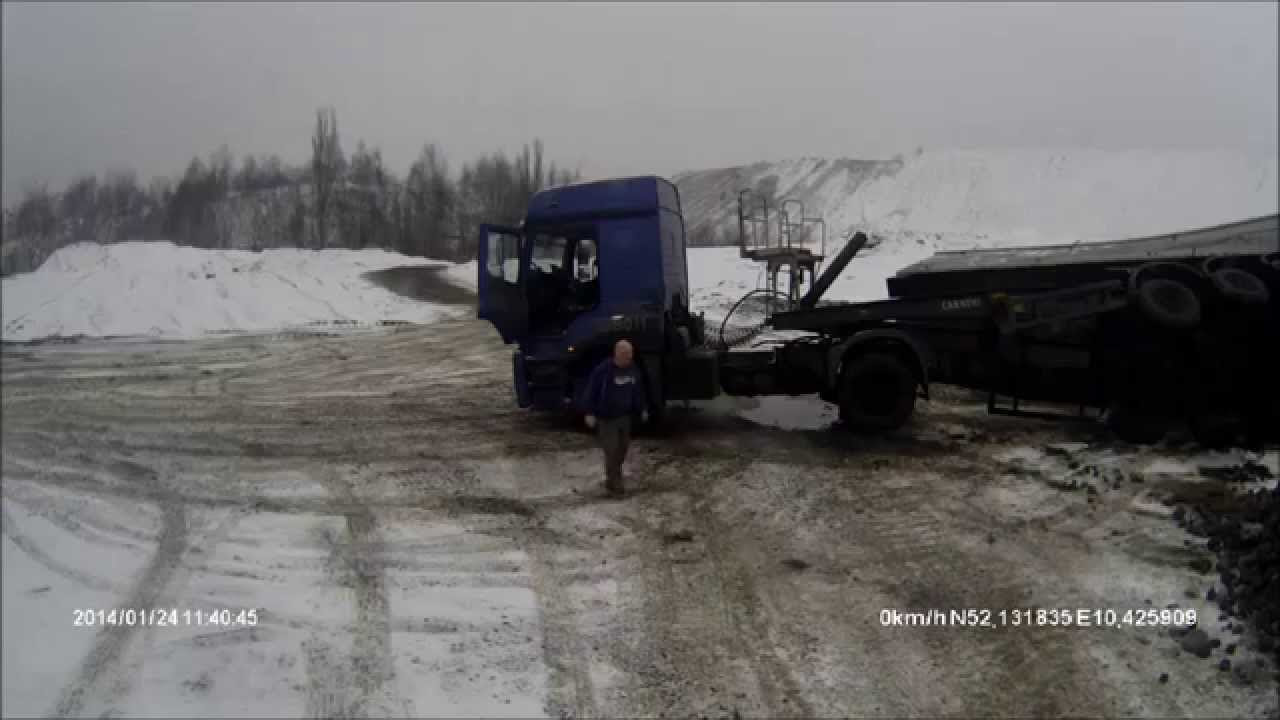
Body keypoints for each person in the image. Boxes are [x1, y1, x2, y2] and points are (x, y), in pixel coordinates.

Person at [581, 339, 648, 496]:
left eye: (631, 354)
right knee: (611, 451)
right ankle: (615, 484)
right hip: (607, 419)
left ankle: (612, 477)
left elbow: (638, 391)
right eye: (626, 354)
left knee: (622, 449)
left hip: (624, 417)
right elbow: (591, 391)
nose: (630, 357)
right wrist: (589, 412)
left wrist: (642, 408)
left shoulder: (633, 370)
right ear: (617, 354)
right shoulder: (603, 371)